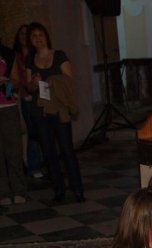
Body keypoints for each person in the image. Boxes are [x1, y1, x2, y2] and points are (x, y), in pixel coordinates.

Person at [25, 22, 84, 203]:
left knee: (67, 149)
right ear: (30, 40)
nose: (38, 38)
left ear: (46, 36)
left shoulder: (59, 55)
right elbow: (28, 87)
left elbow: (70, 80)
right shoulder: (30, 59)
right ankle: (59, 190)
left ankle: (77, 189)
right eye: (34, 36)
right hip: (40, 110)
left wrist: (54, 79)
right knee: (49, 151)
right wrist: (34, 83)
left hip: (59, 108)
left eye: (40, 34)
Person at [10, 24, 44, 179]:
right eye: (21, 33)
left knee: (43, 130)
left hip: (39, 95)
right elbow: (16, 79)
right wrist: (23, 93)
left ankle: (45, 162)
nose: (24, 36)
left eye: (26, 33)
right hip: (26, 97)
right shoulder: (14, 56)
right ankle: (33, 166)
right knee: (33, 131)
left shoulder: (34, 54)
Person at [1, 36, 27, 206]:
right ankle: (3, 192)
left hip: (8, 108)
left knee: (14, 151)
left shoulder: (7, 53)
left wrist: (7, 83)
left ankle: (18, 190)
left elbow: (17, 82)